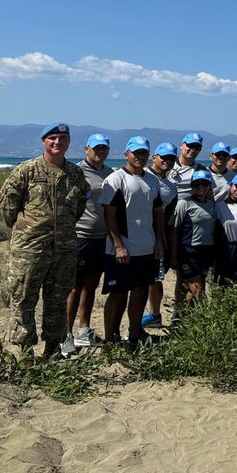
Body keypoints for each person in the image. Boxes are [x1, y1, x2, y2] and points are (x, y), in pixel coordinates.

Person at [0, 123, 89, 356]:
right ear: (43, 142)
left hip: (64, 249)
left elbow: (79, 207)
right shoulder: (26, 171)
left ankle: (53, 350)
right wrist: (28, 231)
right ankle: (26, 353)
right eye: (53, 138)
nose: (58, 142)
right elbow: (7, 208)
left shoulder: (75, 174)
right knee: (24, 299)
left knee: (57, 300)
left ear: (69, 142)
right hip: (29, 250)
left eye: (63, 138)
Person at [100, 136, 166, 346]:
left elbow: (157, 213)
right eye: (136, 152)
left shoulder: (152, 180)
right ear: (126, 154)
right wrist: (118, 245)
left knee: (140, 292)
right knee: (117, 294)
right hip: (121, 250)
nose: (140, 156)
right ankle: (111, 339)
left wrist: (159, 242)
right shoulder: (115, 179)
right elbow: (109, 213)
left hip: (146, 248)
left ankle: (134, 335)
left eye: (144, 153)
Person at [67, 133, 112, 351]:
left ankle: (83, 331)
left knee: (91, 285)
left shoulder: (110, 173)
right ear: (86, 149)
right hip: (81, 236)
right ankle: (66, 335)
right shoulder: (75, 172)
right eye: (96, 148)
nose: (100, 152)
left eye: (104, 148)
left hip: (102, 238)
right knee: (75, 286)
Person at [144, 142, 179, 329]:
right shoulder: (141, 176)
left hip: (157, 238)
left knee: (156, 278)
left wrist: (164, 243)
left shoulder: (172, 189)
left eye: (172, 158)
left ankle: (155, 315)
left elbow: (168, 220)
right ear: (154, 157)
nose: (168, 161)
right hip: (135, 236)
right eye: (164, 157)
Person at [173, 168, 218, 304]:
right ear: (192, 186)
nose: (200, 187)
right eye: (196, 184)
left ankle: (183, 317)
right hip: (188, 251)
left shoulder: (212, 205)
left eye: (204, 184)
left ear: (209, 186)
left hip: (206, 251)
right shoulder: (184, 204)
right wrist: (174, 255)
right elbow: (174, 230)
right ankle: (187, 318)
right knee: (197, 288)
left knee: (199, 286)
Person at [169, 132, 204, 200]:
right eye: (190, 145)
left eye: (197, 147)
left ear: (200, 150)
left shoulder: (201, 170)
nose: (193, 150)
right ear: (181, 145)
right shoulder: (168, 165)